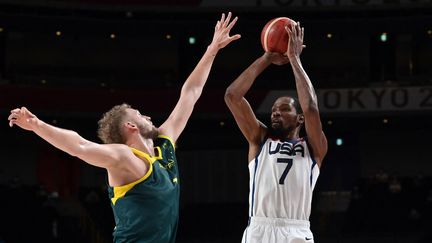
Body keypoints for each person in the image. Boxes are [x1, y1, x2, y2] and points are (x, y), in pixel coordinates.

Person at [8, 12, 241, 243]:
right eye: (140, 114)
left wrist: (212, 50)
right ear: (131, 126)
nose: (148, 115)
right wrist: (37, 125)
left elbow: (190, 93)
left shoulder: (164, 145)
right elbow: (79, 145)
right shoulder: (125, 158)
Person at [224, 22, 327, 243]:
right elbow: (232, 96)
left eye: (283, 109)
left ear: (299, 118)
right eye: (273, 110)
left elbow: (310, 107)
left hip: (296, 231)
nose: (275, 113)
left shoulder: (313, 148)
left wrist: (294, 59)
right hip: (260, 228)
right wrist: (267, 58)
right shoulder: (259, 139)